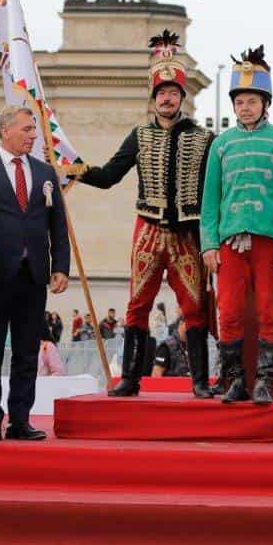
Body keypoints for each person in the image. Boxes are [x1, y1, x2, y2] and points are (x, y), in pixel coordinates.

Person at [68, 30, 215, 398]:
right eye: (161, 93)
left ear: (182, 97)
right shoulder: (140, 135)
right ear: (153, 97)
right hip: (148, 231)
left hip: (187, 235)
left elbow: (216, 189)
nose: (167, 98)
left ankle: (200, 381)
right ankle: (131, 379)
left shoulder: (204, 139)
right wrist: (74, 169)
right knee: (137, 306)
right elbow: (108, 176)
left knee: (195, 307)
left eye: (173, 92)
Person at [0, 104, 70, 441]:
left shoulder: (45, 173)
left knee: (27, 351)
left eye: (34, 129)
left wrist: (60, 267)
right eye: (27, 129)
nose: (33, 136)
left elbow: (58, 225)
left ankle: (20, 420)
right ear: (5, 131)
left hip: (33, 275)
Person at [201, 45, 273, 405]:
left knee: (269, 310)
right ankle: (236, 381)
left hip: (269, 242)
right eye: (240, 101)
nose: (245, 107)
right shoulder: (221, 144)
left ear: (265, 104)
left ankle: (264, 381)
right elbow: (210, 200)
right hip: (229, 241)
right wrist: (208, 243)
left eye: (252, 101)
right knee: (228, 311)